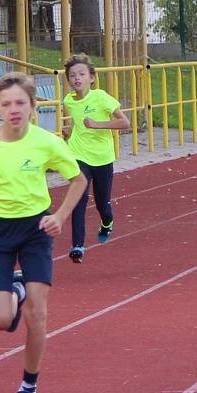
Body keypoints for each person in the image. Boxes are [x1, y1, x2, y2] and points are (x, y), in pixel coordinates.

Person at [0, 72, 87, 393]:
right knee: (1, 320)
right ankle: (18, 289)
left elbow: (78, 180)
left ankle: (28, 389)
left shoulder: (47, 142)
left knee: (37, 316)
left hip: (35, 229)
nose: (13, 109)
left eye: (20, 103)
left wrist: (60, 216)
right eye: (6, 104)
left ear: (33, 106)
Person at [62, 53, 130, 263]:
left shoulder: (101, 97)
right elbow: (76, 123)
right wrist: (69, 132)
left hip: (102, 158)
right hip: (79, 156)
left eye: (81, 74)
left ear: (91, 78)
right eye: (72, 75)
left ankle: (107, 222)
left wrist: (98, 125)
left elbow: (124, 123)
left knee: (102, 203)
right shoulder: (68, 101)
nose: (77, 78)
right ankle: (78, 245)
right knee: (78, 200)